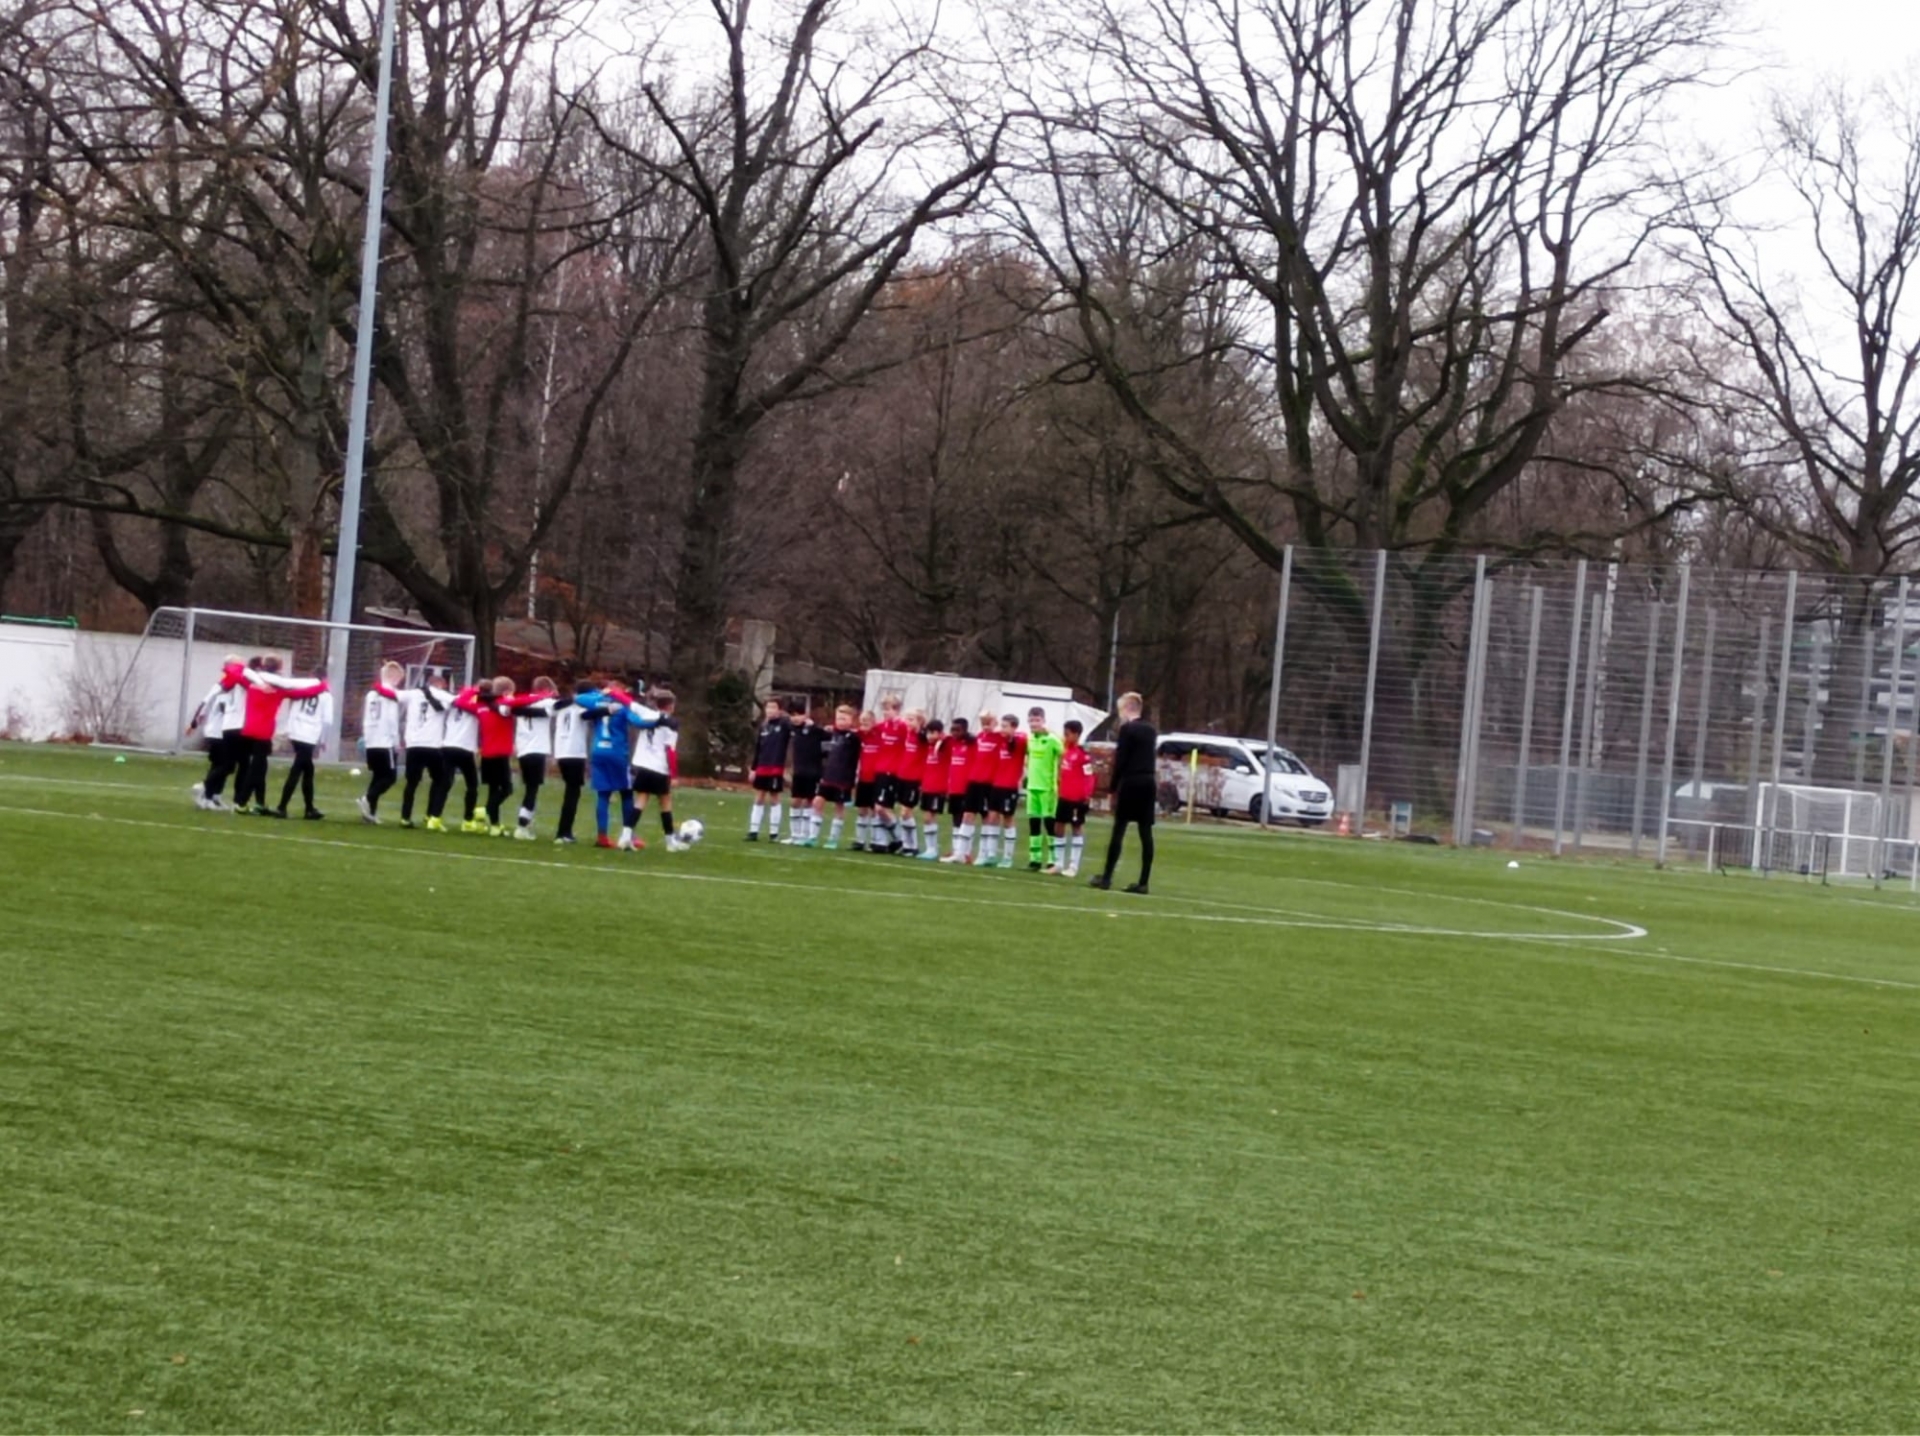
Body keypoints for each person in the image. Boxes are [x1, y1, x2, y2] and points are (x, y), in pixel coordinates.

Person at [231, 658, 328, 816]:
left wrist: (256, 678)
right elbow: (305, 692)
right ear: (278, 670)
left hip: (247, 729)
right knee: (256, 769)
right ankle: (241, 802)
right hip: (263, 732)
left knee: (259, 768)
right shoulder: (278, 690)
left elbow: (233, 669)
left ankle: (260, 803)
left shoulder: (251, 684)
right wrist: (322, 685)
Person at [578, 679, 663, 850]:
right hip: (616, 753)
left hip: (598, 751)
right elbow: (638, 723)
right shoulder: (623, 706)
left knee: (603, 795)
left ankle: (602, 836)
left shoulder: (596, 701)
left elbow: (579, 698)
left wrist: (599, 696)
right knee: (626, 793)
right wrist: (660, 721)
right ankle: (629, 835)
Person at [1091, 691, 1156, 894]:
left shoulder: (1127, 729)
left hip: (1131, 781)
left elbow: (1121, 760)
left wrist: (1112, 787)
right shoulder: (1151, 730)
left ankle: (1106, 877)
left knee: (1119, 829)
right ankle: (1143, 881)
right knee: (1145, 832)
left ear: (1127, 709)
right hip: (1148, 781)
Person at [275, 662, 334, 819]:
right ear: (325, 679)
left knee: (308, 770)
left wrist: (289, 729)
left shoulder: (302, 690)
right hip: (309, 735)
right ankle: (282, 807)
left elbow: (293, 708)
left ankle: (309, 808)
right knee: (297, 770)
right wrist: (323, 740)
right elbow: (327, 721)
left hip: (296, 732)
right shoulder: (326, 695)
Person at [630, 689, 687, 850]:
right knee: (665, 802)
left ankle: (626, 835)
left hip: (643, 765)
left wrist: (612, 692)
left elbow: (629, 703)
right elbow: (670, 751)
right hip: (659, 767)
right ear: (670, 706)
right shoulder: (671, 723)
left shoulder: (647, 714)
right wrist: (674, 775)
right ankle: (670, 841)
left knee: (641, 800)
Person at [187, 655, 245, 810]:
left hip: (225, 731)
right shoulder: (222, 685)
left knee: (223, 765)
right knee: (225, 765)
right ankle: (205, 789)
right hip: (218, 731)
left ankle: (214, 796)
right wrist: (194, 723)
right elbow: (206, 703)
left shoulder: (236, 686)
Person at [508, 677, 559, 840]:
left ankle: (525, 823)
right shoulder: (547, 702)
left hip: (523, 750)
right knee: (532, 790)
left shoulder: (521, 702)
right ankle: (522, 826)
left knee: (529, 788)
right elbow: (559, 706)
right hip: (537, 750)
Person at [397, 674, 451, 829]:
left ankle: (405, 817)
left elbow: (395, 695)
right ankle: (430, 815)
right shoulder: (442, 695)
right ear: (440, 684)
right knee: (441, 780)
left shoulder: (413, 694)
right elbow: (448, 705)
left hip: (413, 745)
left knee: (412, 783)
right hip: (432, 745)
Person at [357, 661, 405, 824]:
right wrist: (396, 742)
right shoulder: (390, 694)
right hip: (385, 742)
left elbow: (365, 718)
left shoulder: (370, 694)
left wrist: (366, 737)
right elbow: (392, 720)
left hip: (371, 741)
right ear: (393, 676)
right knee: (390, 777)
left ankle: (370, 813)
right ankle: (367, 798)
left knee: (377, 777)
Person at [435, 682, 485, 832]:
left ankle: (434, 818)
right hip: (465, 748)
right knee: (472, 785)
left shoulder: (453, 702)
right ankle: (467, 820)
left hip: (448, 745)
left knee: (444, 783)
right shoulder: (476, 704)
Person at [474, 677, 519, 836]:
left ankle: (495, 826)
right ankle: (485, 810)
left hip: (486, 752)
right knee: (506, 789)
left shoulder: (482, 705)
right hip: (500, 753)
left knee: (493, 789)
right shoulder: (504, 705)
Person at [551, 676, 593, 844]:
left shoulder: (563, 707)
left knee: (571, 791)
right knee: (572, 793)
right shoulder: (580, 708)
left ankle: (564, 830)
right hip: (575, 753)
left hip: (561, 752)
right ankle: (564, 832)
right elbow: (589, 714)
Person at [1022, 707, 1063, 871]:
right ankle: (1035, 859)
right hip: (1032, 787)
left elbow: (1064, 751)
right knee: (1034, 823)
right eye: (1031, 720)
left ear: (1043, 721)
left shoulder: (1052, 739)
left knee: (1049, 823)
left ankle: (1053, 859)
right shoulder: (1030, 739)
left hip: (1047, 788)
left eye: (1037, 720)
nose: (1034, 724)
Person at [746, 698, 791, 842]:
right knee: (759, 796)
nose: (770, 710)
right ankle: (753, 831)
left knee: (774, 797)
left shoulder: (784, 725)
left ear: (779, 710)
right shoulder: (764, 726)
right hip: (762, 767)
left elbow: (793, 726)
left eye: (773, 707)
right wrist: (754, 769)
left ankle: (774, 833)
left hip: (775, 767)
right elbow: (758, 748)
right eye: (768, 707)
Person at [1054, 719, 1095, 877]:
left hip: (1077, 798)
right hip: (1064, 796)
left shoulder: (1083, 755)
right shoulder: (1066, 752)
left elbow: (1089, 776)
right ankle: (1058, 864)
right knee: (1058, 826)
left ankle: (1073, 866)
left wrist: (1086, 795)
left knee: (1076, 827)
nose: (1065, 737)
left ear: (1077, 735)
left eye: (1068, 734)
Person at [817, 705, 860, 850]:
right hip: (828, 776)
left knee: (839, 807)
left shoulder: (853, 737)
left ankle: (833, 839)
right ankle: (812, 836)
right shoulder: (832, 734)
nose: (840, 722)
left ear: (852, 720)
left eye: (844, 719)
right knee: (817, 802)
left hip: (843, 778)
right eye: (838, 719)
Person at [990, 712, 1027, 870]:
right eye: (1002, 725)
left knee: (1008, 819)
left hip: (1009, 786)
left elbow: (1024, 738)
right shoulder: (1000, 740)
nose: (1002, 729)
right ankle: (990, 854)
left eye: (1005, 726)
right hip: (996, 785)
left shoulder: (1020, 741)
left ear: (1014, 727)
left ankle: (1007, 857)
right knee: (992, 817)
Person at [785, 704, 827, 846]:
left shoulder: (814, 730)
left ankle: (806, 835)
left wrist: (814, 726)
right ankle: (795, 835)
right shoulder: (792, 729)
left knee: (810, 801)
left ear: (805, 715)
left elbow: (827, 736)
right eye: (792, 715)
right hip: (798, 772)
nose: (795, 718)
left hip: (813, 772)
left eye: (798, 714)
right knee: (795, 801)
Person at [964, 710, 1002, 865]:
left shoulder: (999, 738)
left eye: (988, 723)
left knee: (987, 817)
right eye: (983, 723)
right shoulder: (979, 737)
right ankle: (963, 852)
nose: (985, 726)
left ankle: (984, 853)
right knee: (968, 814)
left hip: (989, 782)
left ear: (995, 723)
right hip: (974, 780)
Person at [938, 717, 976, 863]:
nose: (954, 732)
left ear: (965, 730)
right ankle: (956, 850)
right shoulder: (951, 743)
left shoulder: (972, 743)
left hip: (966, 787)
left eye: (958, 730)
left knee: (965, 819)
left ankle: (966, 852)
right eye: (952, 729)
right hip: (954, 787)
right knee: (955, 819)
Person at [890, 708, 927, 855]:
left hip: (914, 779)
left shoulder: (922, 737)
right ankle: (906, 845)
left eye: (912, 719)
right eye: (907, 719)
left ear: (920, 721)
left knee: (907, 811)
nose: (908, 722)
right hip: (902, 777)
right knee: (903, 812)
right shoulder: (907, 734)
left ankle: (913, 845)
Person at [915, 718, 948, 861]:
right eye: (928, 733)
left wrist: (942, 738)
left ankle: (932, 849)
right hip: (927, 787)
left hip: (937, 788)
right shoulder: (928, 747)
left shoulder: (943, 746)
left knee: (929, 817)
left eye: (932, 733)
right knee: (927, 817)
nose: (929, 736)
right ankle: (930, 849)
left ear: (939, 733)